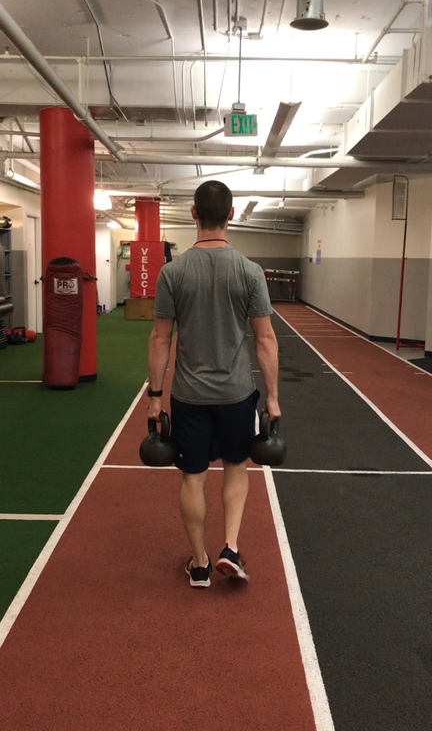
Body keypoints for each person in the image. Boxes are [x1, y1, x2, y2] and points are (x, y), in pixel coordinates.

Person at [147, 180, 280, 588]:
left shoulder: (172, 273)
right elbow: (264, 339)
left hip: (189, 396)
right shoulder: (250, 272)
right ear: (231, 215)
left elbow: (160, 339)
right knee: (236, 466)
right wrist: (273, 398)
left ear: (193, 213)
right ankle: (231, 548)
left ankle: (200, 564)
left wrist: (155, 397)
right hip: (236, 394)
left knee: (193, 476)